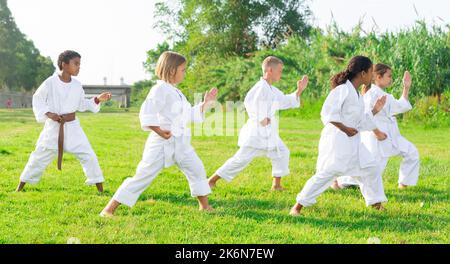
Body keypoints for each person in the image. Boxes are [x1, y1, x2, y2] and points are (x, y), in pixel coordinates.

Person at [100, 51, 218, 217]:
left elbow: (186, 114)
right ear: (171, 71)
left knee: (197, 169)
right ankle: (108, 209)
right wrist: (159, 130)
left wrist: (205, 104)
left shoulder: (176, 92)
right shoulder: (159, 89)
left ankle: (204, 206)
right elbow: (147, 112)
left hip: (181, 144)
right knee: (143, 176)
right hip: (162, 143)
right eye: (183, 70)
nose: (185, 73)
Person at [290, 56, 389, 216]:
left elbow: (359, 122)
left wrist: (375, 111)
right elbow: (327, 113)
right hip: (338, 141)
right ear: (363, 73)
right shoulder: (342, 90)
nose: (372, 75)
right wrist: (344, 128)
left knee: (371, 168)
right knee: (328, 173)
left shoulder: (356, 94)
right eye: (371, 71)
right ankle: (297, 206)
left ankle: (376, 204)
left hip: (353, 143)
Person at [16, 50, 112, 193]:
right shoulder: (50, 82)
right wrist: (49, 114)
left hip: (73, 127)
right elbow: (38, 99)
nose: (79, 67)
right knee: (39, 156)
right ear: (64, 64)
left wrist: (97, 99)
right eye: (76, 64)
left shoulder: (77, 85)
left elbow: (81, 104)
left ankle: (100, 189)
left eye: (79, 64)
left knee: (88, 154)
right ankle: (20, 187)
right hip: (54, 127)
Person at [208, 56, 309, 191]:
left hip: (268, 133)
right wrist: (261, 118)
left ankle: (276, 185)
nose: (281, 74)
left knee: (282, 152)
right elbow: (249, 102)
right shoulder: (261, 87)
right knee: (240, 160)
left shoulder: (271, 89)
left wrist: (299, 91)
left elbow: (284, 100)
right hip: (256, 133)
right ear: (269, 70)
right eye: (279, 71)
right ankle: (211, 181)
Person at [334, 64, 419, 191]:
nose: (391, 79)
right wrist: (377, 132)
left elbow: (400, 106)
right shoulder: (371, 94)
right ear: (378, 77)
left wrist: (406, 88)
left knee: (411, 152)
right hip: (377, 137)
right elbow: (365, 116)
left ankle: (403, 184)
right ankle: (339, 180)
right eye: (389, 76)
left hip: (392, 135)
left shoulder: (385, 95)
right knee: (372, 168)